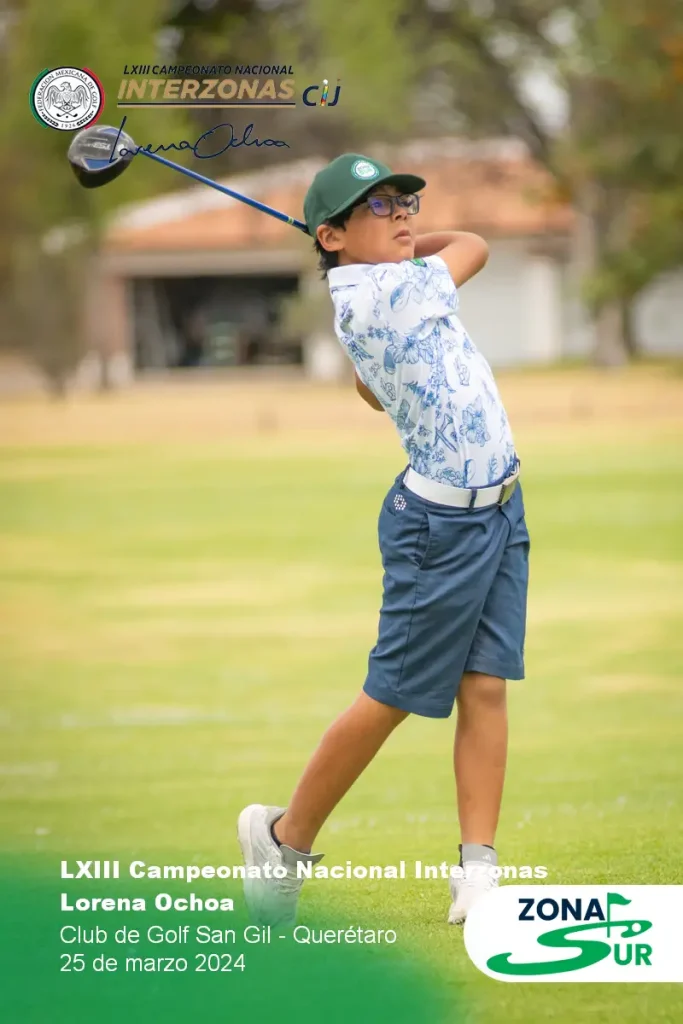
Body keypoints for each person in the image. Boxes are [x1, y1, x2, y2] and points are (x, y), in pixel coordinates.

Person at [237, 153, 530, 927]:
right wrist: (404, 250)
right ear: (329, 235)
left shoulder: (379, 287)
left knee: (485, 684)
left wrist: (373, 246)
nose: (401, 214)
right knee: (393, 695)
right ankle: (282, 839)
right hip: (441, 528)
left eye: (405, 203)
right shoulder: (390, 292)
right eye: (378, 207)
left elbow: (370, 389)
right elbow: (472, 244)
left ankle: (478, 872)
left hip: (500, 506)